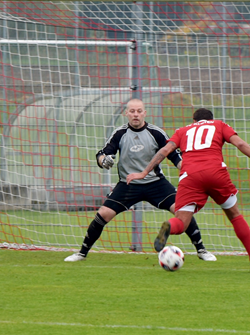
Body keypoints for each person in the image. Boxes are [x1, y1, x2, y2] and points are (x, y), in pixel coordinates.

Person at [64, 99, 216, 262]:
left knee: (182, 211)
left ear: (144, 113)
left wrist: (188, 171)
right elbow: (102, 154)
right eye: (132, 111)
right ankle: (81, 253)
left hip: (156, 183)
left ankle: (201, 250)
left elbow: (174, 155)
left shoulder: (156, 132)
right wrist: (103, 160)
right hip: (128, 185)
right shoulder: (119, 133)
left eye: (139, 111)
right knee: (103, 214)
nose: (135, 114)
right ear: (126, 113)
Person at [126, 107, 250, 273]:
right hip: (216, 173)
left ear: (194, 121)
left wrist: (144, 172)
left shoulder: (183, 131)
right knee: (234, 215)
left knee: (181, 222)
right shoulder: (219, 125)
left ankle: (170, 225)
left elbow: (165, 150)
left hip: (190, 176)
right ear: (211, 119)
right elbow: (239, 143)